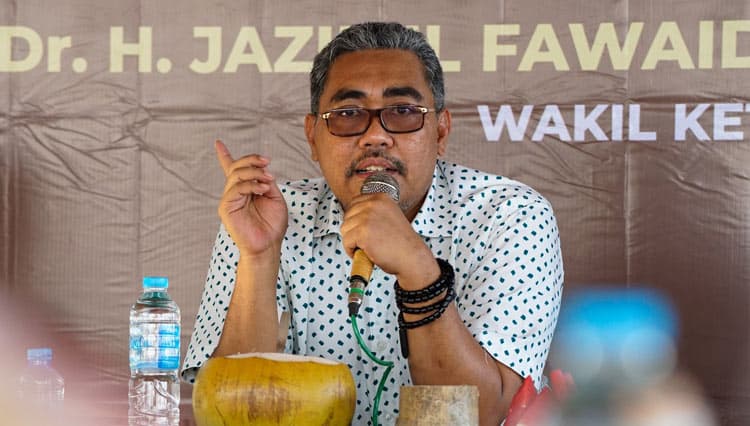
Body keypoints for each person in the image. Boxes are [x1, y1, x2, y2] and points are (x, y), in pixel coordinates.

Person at [181, 21, 563, 426]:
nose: (375, 136)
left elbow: (483, 415)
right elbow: (230, 413)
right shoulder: (267, 213)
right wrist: (259, 256)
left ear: (441, 132)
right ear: (312, 137)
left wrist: (419, 270)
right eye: (348, 114)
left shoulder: (509, 215)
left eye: (402, 112)